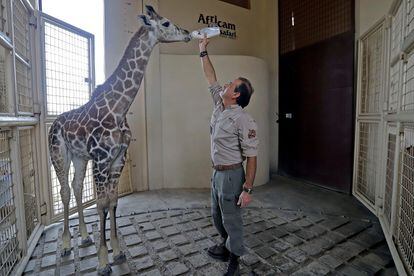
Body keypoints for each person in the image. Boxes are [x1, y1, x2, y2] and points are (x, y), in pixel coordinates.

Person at [198, 36, 259, 276]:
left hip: (233, 175)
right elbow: (210, 77)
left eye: (231, 84)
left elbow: (252, 157)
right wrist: (203, 51)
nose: (225, 84)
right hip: (216, 173)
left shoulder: (244, 120)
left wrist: (248, 189)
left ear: (235, 95)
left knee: (232, 219)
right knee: (216, 216)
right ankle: (225, 245)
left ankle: (235, 258)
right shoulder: (219, 105)